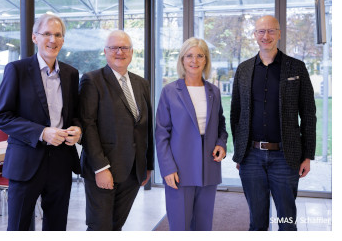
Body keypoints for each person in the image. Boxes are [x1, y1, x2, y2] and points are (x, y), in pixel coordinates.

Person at [0, 14, 82, 231]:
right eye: (47, 34)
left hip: (61, 163)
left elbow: (75, 114)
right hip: (25, 163)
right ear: (35, 37)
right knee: (19, 228)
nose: (53, 39)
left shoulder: (71, 74)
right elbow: (2, 117)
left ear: (63, 40)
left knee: (56, 227)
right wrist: (42, 132)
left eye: (58, 35)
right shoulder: (17, 69)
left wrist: (78, 129)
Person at [230, 15, 316, 231]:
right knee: (256, 222)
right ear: (254, 35)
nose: (265, 36)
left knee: (287, 221)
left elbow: (308, 113)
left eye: (270, 31)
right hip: (251, 157)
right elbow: (236, 114)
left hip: (285, 158)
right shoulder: (244, 69)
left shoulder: (296, 68)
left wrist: (307, 155)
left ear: (279, 34)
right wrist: (240, 152)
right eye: (261, 31)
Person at [79, 30, 154, 231]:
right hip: (104, 169)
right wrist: (101, 168)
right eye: (114, 47)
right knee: (100, 227)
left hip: (133, 171)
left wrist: (147, 164)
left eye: (124, 47)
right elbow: (88, 125)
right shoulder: (92, 80)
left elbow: (146, 126)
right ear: (105, 51)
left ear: (131, 52)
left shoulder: (142, 83)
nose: (119, 52)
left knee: (116, 225)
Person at [155, 37, 228, 231]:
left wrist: (221, 143)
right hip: (179, 168)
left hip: (209, 166)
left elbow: (220, 123)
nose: (194, 60)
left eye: (199, 56)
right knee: (180, 226)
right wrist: (167, 168)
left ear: (206, 60)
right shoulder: (169, 91)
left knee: (204, 226)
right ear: (182, 60)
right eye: (189, 56)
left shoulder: (214, 91)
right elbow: (161, 133)